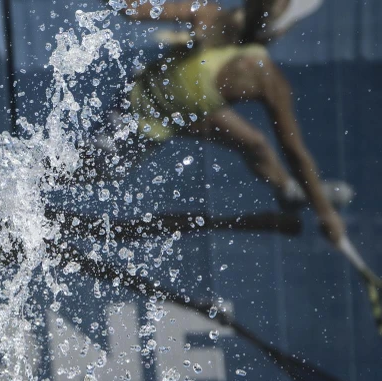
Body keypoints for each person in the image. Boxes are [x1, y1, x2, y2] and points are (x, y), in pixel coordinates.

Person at [99, 0, 382, 332]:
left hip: (159, 101)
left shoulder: (208, 14)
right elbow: (295, 152)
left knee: (256, 144)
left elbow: (133, 9)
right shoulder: (263, 75)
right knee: (89, 172)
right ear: (279, 29)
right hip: (133, 127)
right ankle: (40, 182)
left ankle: (289, 191)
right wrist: (326, 214)